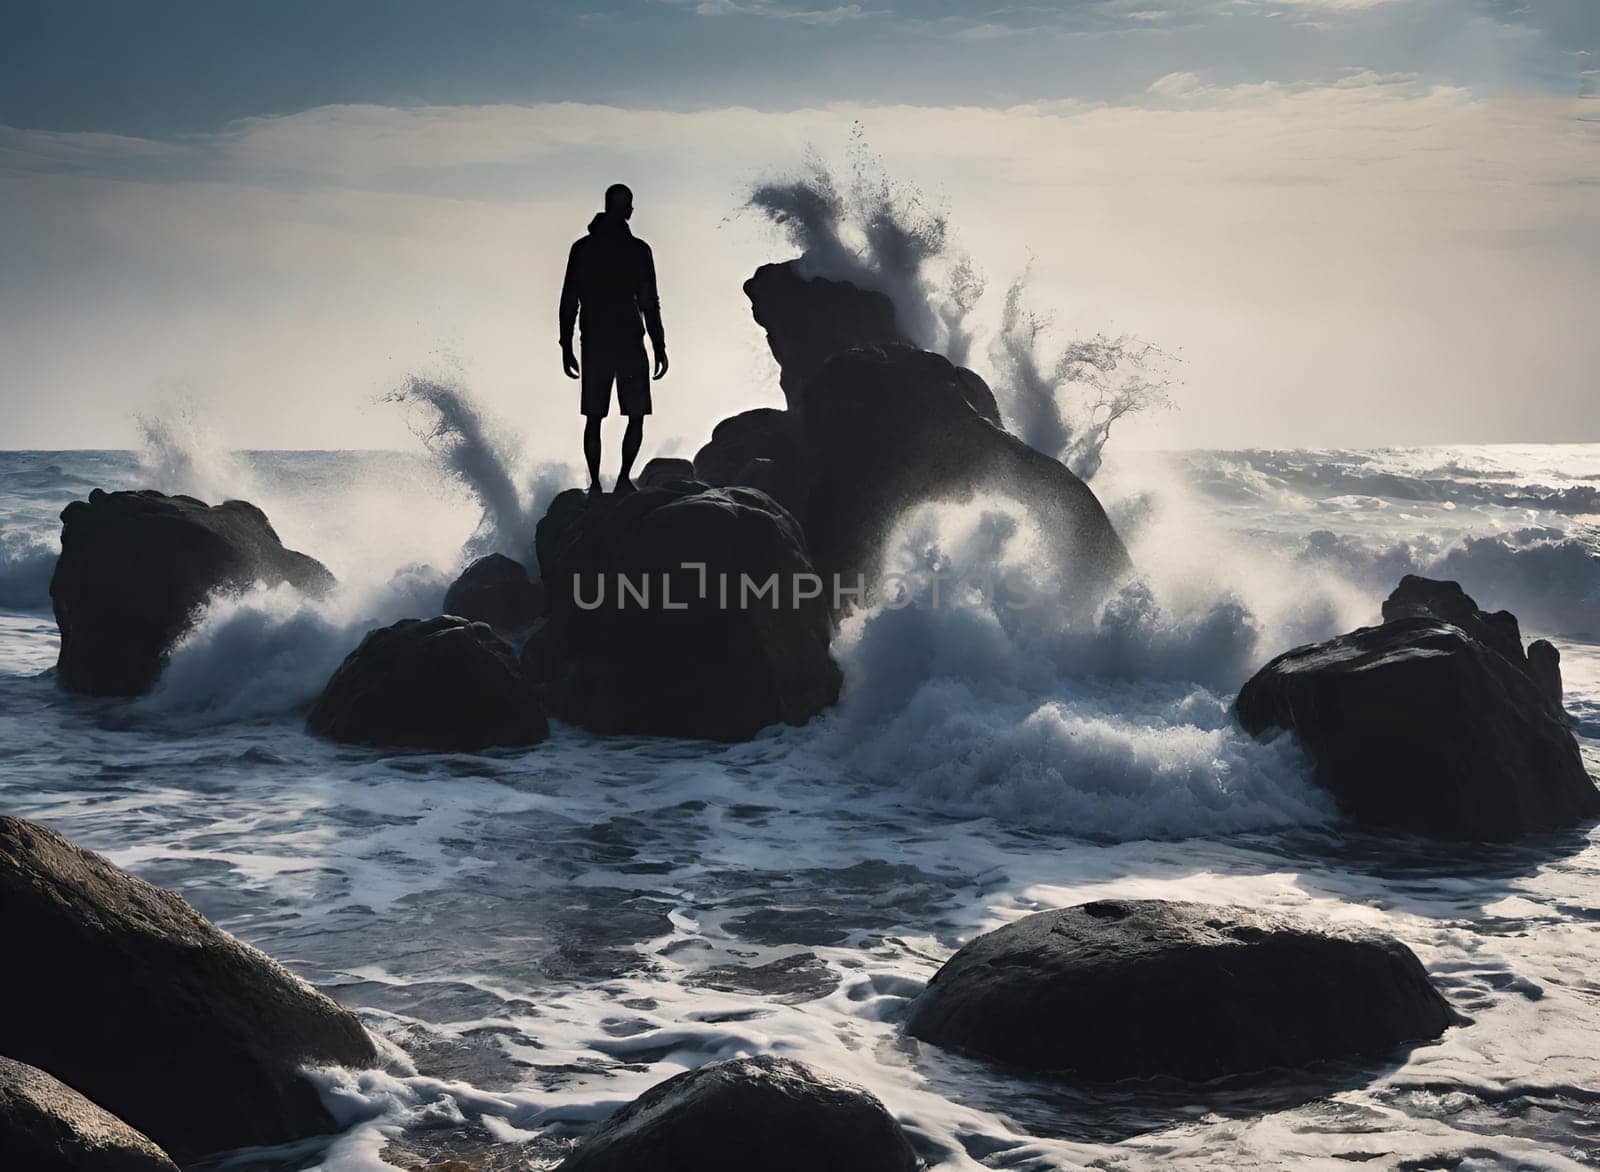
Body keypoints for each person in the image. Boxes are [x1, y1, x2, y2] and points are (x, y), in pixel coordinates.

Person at [559, 183, 668, 500]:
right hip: (622, 343)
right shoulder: (633, 250)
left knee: (604, 416)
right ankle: (611, 481)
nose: (631, 210)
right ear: (622, 209)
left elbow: (570, 301)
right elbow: (650, 303)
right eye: (629, 205)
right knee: (621, 415)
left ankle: (604, 483)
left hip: (601, 344)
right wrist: (659, 345)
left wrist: (566, 344)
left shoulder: (587, 249)